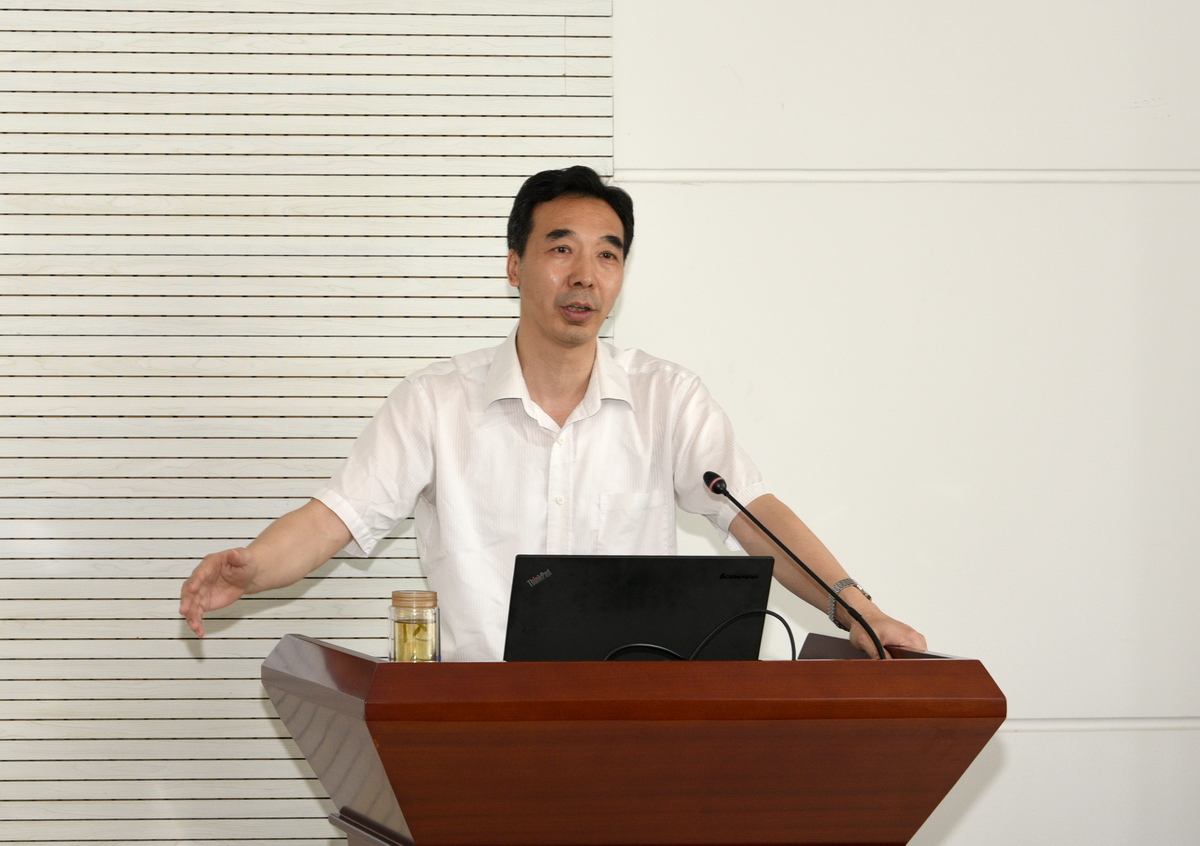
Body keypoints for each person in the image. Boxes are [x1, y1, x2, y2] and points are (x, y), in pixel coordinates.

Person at [180, 166, 926, 660]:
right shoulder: (436, 403)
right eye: (561, 249)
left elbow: (754, 513)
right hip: (476, 730)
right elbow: (333, 519)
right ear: (515, 265)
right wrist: (255, 569)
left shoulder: (667, 399)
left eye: (608, 255)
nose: (585, 276)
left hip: (632, 729)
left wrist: (857, 610)